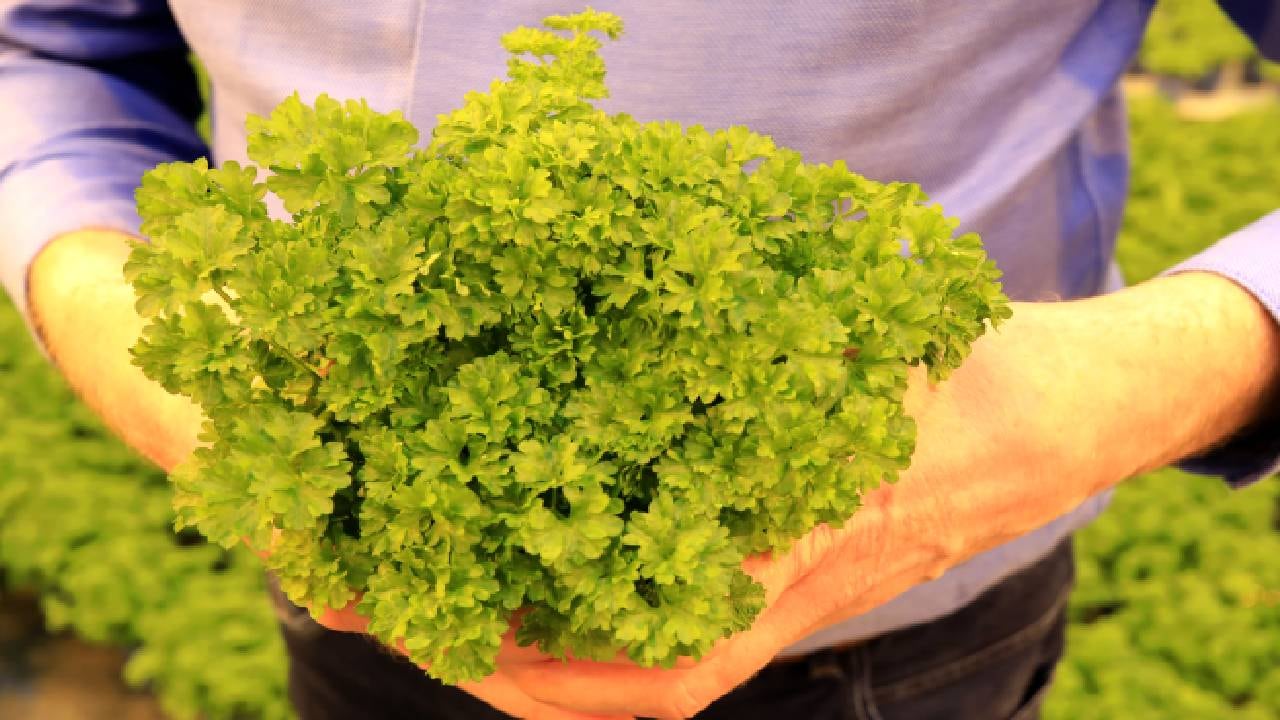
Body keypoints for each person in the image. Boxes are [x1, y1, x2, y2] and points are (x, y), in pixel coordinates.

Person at [4, 2, 1279, 718]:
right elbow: (47, 46)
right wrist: (118, 322)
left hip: (901, 644)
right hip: (366, 619)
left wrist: (1146, 372)